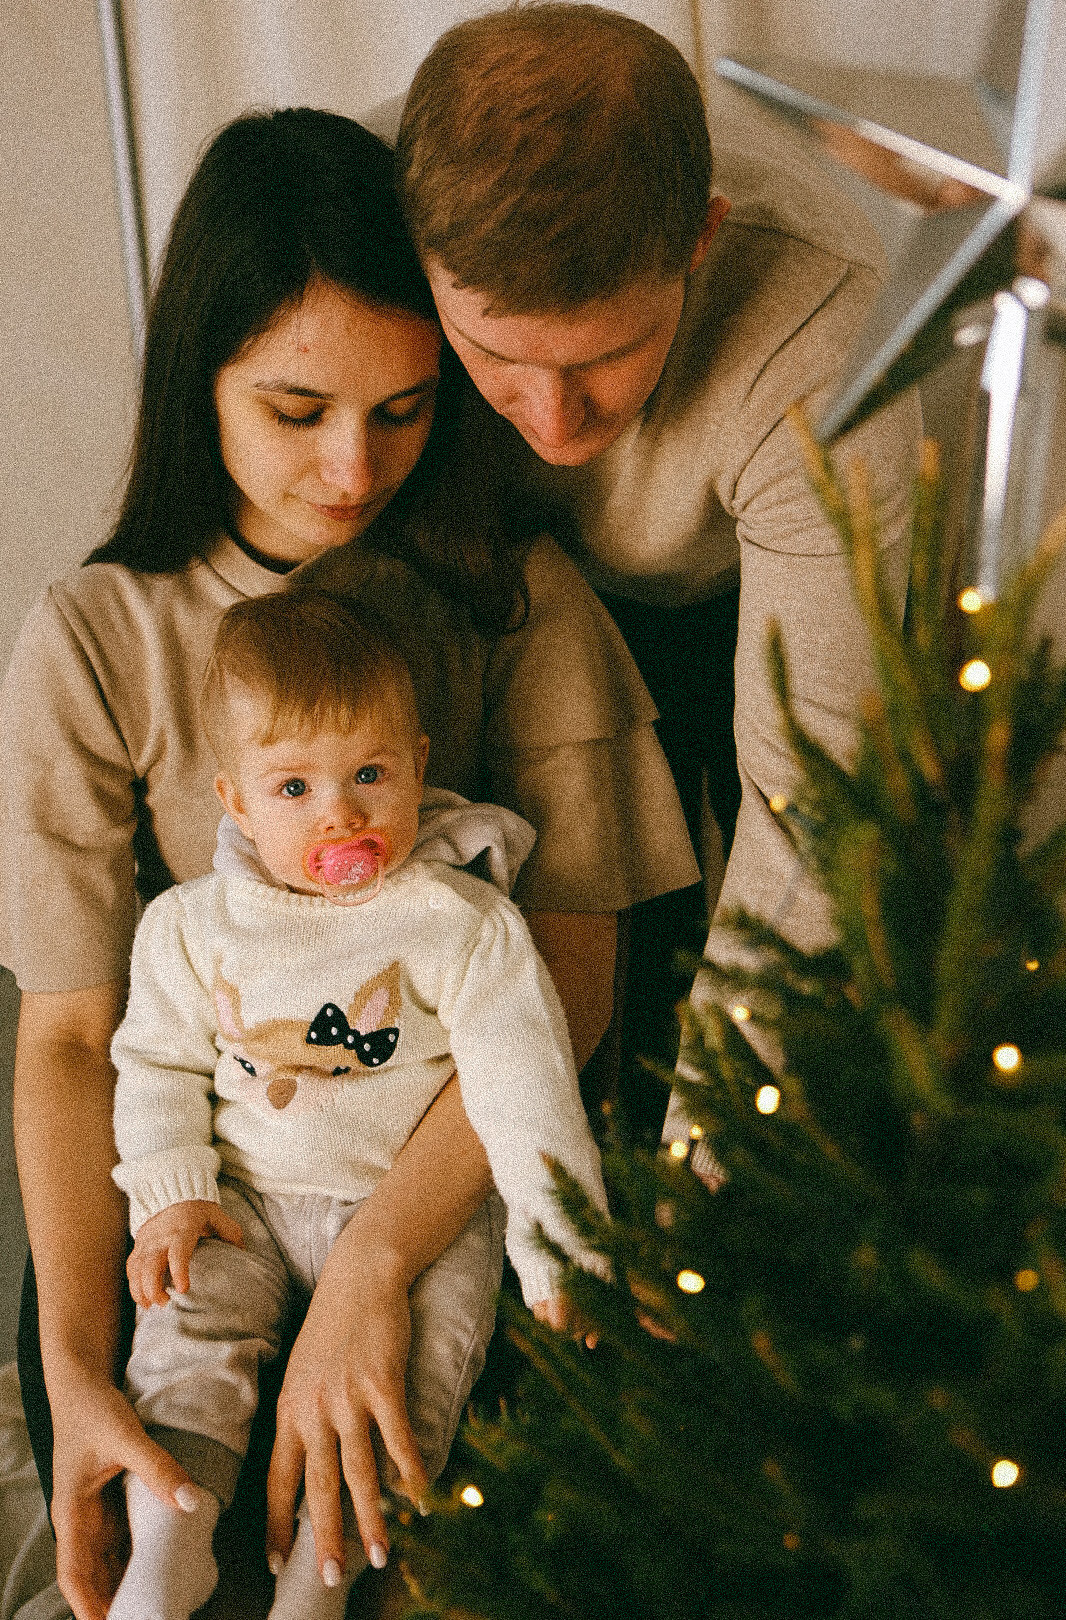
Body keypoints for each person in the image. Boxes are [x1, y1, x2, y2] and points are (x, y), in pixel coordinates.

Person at [0, 107, 698, 1620]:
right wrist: (69, 1371)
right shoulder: (96, 637)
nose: (351, 464)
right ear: (203, 382)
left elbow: (566, 983)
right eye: (299, 406)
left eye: (403, 409)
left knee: (397, 1525)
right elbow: (67, 1034)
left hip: (452, 1190)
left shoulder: (509, 597)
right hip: (192, 1202)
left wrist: (382, 1261)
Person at [394, 4, 924, 1132]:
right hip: (476, 578)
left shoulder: (822, 332)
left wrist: (701, 1181)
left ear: (702, 236)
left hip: (725, 597)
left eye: (602, 356)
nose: (550, 415)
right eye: (493, 354)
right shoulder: (344, 212)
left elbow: (812, 807)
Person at [106, 588, 609, 1620]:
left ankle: (322, 1580)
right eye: (294, 786)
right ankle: (171, 1537)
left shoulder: (459, 923)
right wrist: (169, 1192)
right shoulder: (190, 928)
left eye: (370, 775)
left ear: (419, 766)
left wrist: (563, 1245)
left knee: (414, 1384)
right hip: (242, 1196)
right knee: (183, 1325)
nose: (341, 814)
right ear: (235, 801)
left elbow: (523, 1085)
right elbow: (152, 1062)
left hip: (412, 1222)